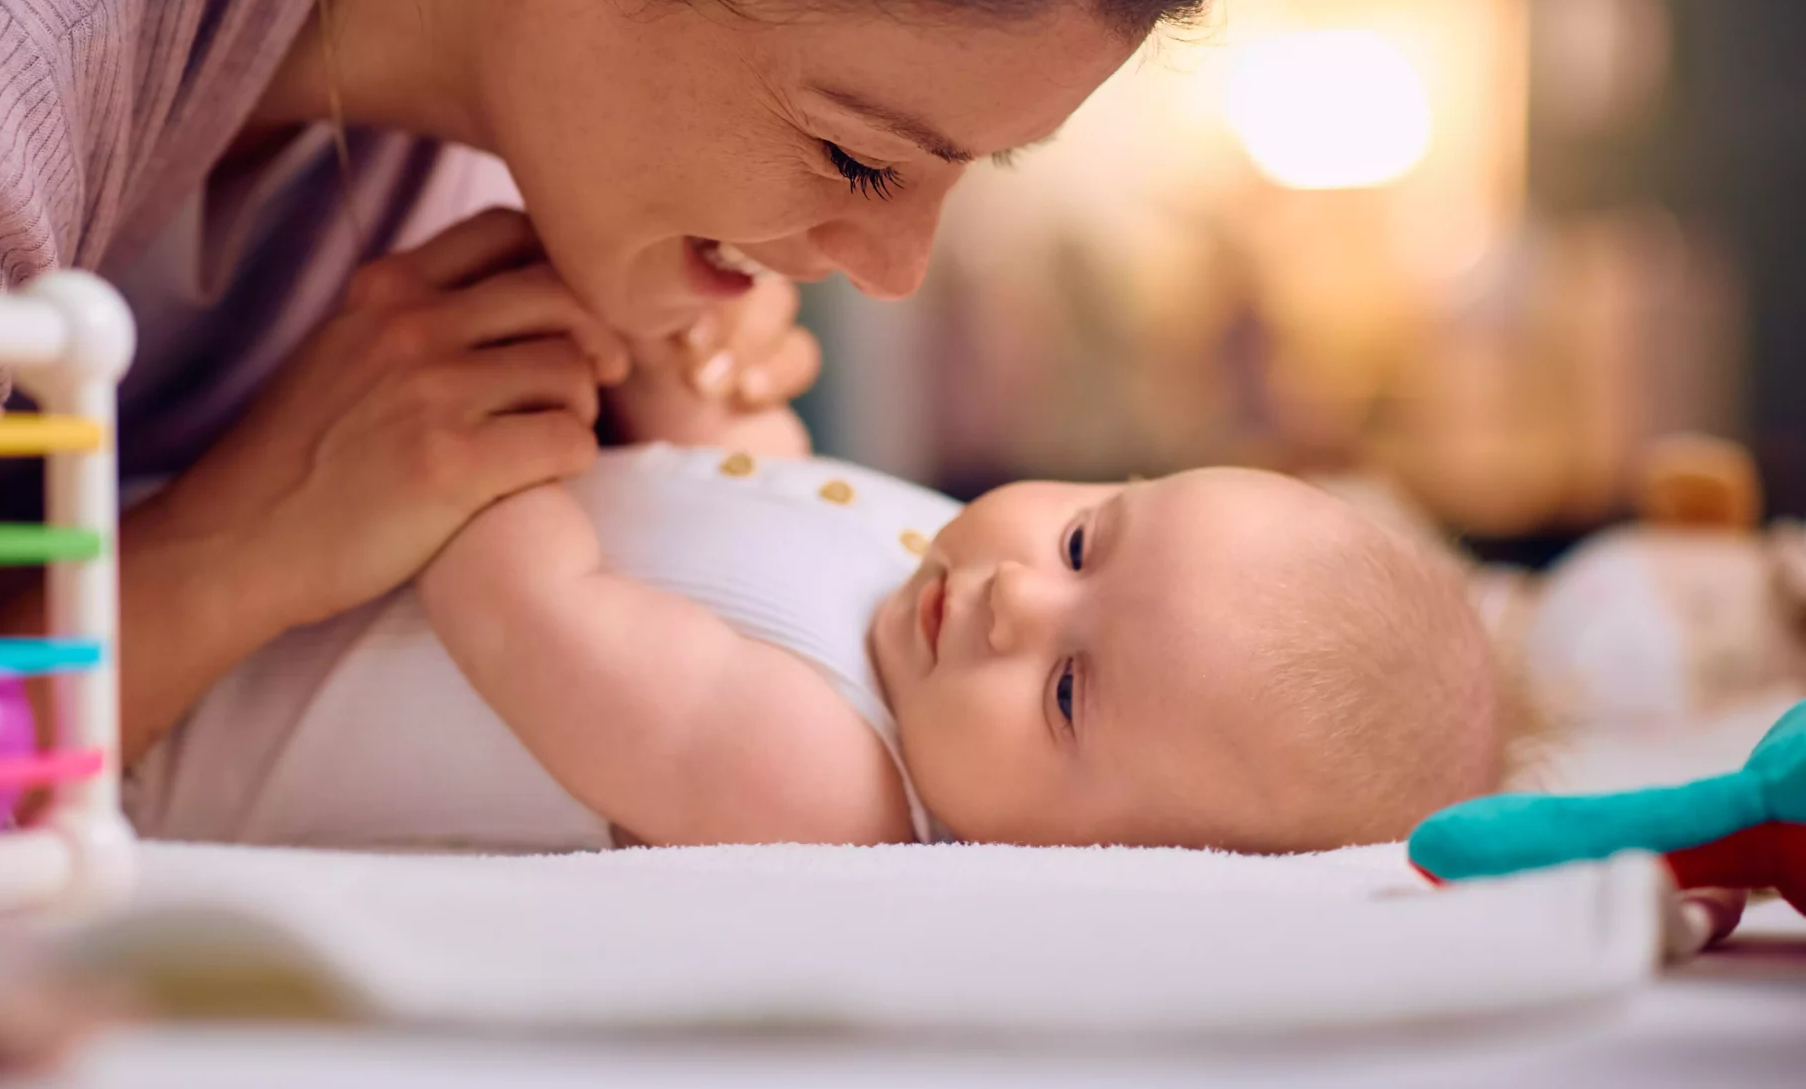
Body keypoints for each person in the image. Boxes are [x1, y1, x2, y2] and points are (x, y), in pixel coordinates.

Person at [0, 0, 1233, 763]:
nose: (891, 267)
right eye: (855, 155)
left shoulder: (510, 93)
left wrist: (644, 427)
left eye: (957, 171)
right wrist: (227, 556)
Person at [129, 428, 1506, 852]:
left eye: (1070, 697)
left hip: (174, 716)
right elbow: (750, 501)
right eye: (1089, 541)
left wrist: (497, 434)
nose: (1020, 598)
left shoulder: (825, 782)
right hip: (240, 518)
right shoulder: (945, 575)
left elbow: (521, 611)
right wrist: (694, 388)